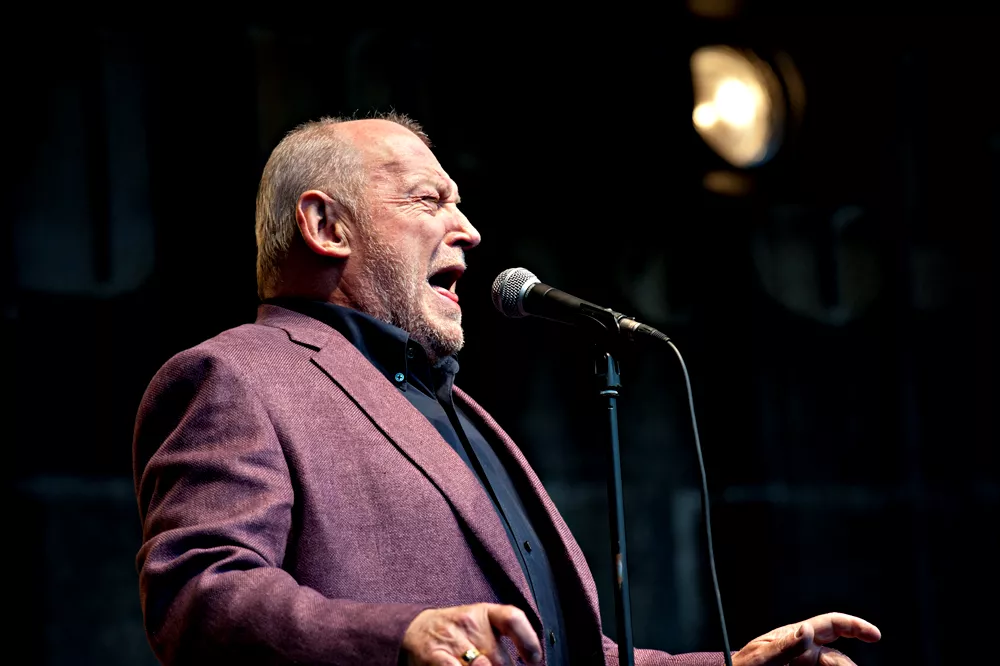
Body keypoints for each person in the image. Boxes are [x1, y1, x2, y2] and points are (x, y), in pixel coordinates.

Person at [132, 113, 881, 666]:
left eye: (458, 203)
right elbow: (198, 593)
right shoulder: (239, 376)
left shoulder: (462, 413)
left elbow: (562, 652)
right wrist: (400, 640)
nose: (469, 230)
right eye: (429, 200)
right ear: (326, 225)